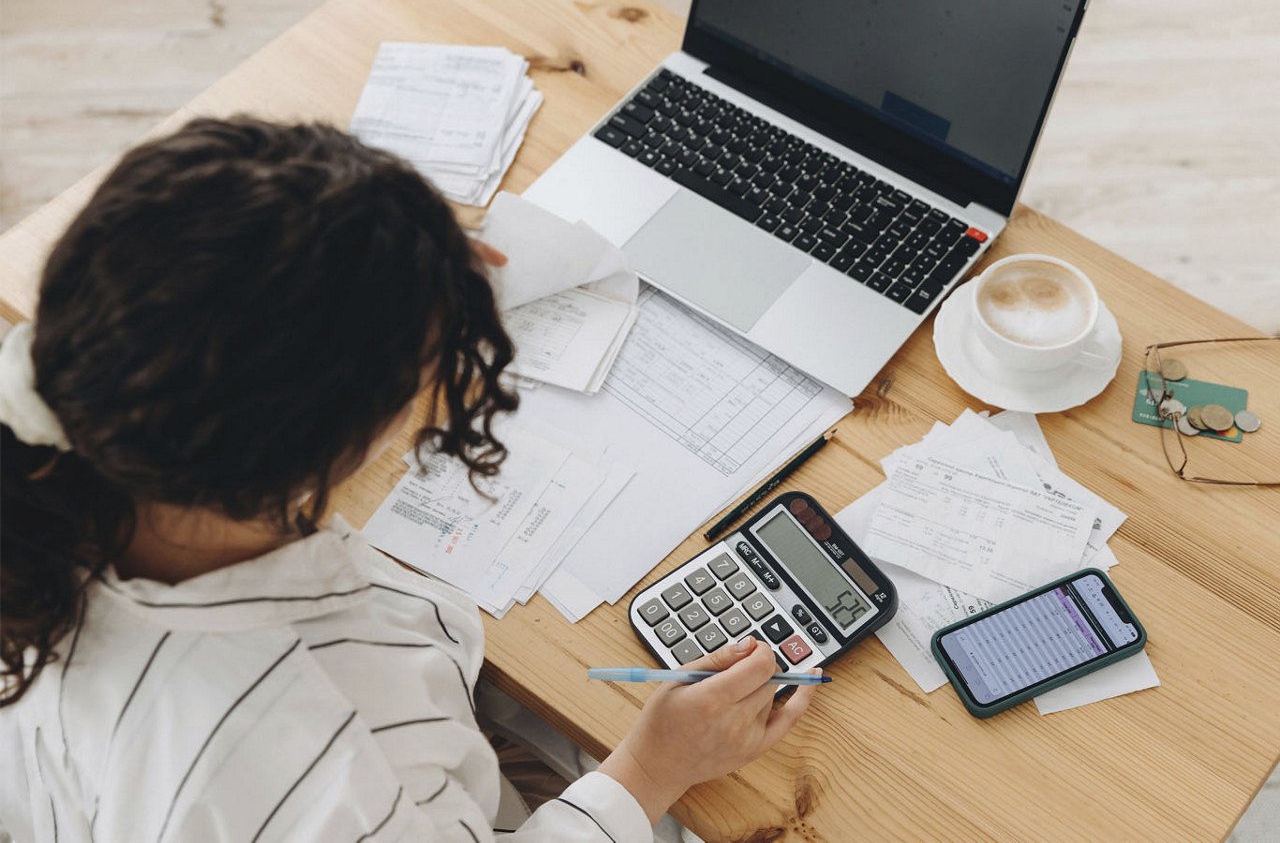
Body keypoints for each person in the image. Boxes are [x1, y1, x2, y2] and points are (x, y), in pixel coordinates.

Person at [0, 117, 817, 842]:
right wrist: (651, 768)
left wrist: (412, 256)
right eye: (429, 364)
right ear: (322, 446)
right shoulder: (280, 763)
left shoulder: (83, 440)